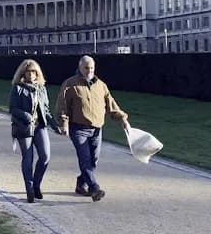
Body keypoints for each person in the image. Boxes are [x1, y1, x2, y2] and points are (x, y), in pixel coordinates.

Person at [55, 55, 130, 202]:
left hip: (96, 129)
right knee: (85, 159)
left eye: (92, 68)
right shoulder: (70, 84)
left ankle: (81, 183)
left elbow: (111, 105)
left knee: (93, 160)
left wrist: (123, 119)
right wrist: (64, 124)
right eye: (86, 68)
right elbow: (62, 107)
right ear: (80, 68)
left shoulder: (101, 85)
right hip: (78, 128)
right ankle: (94, 188)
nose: (89, 70)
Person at [9, 59, 60, 203]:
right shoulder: (18, 88)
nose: (31, 74)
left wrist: (56, 126)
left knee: (45, 156)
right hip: (24, 127)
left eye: (33, 71)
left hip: (39, 126)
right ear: (23, 73)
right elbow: (12, 108)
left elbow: (46, 111)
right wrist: (27, 116)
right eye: (28, 71)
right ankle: (30, 190)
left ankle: (36, 184)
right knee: (28, 158)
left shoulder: (41, 89)